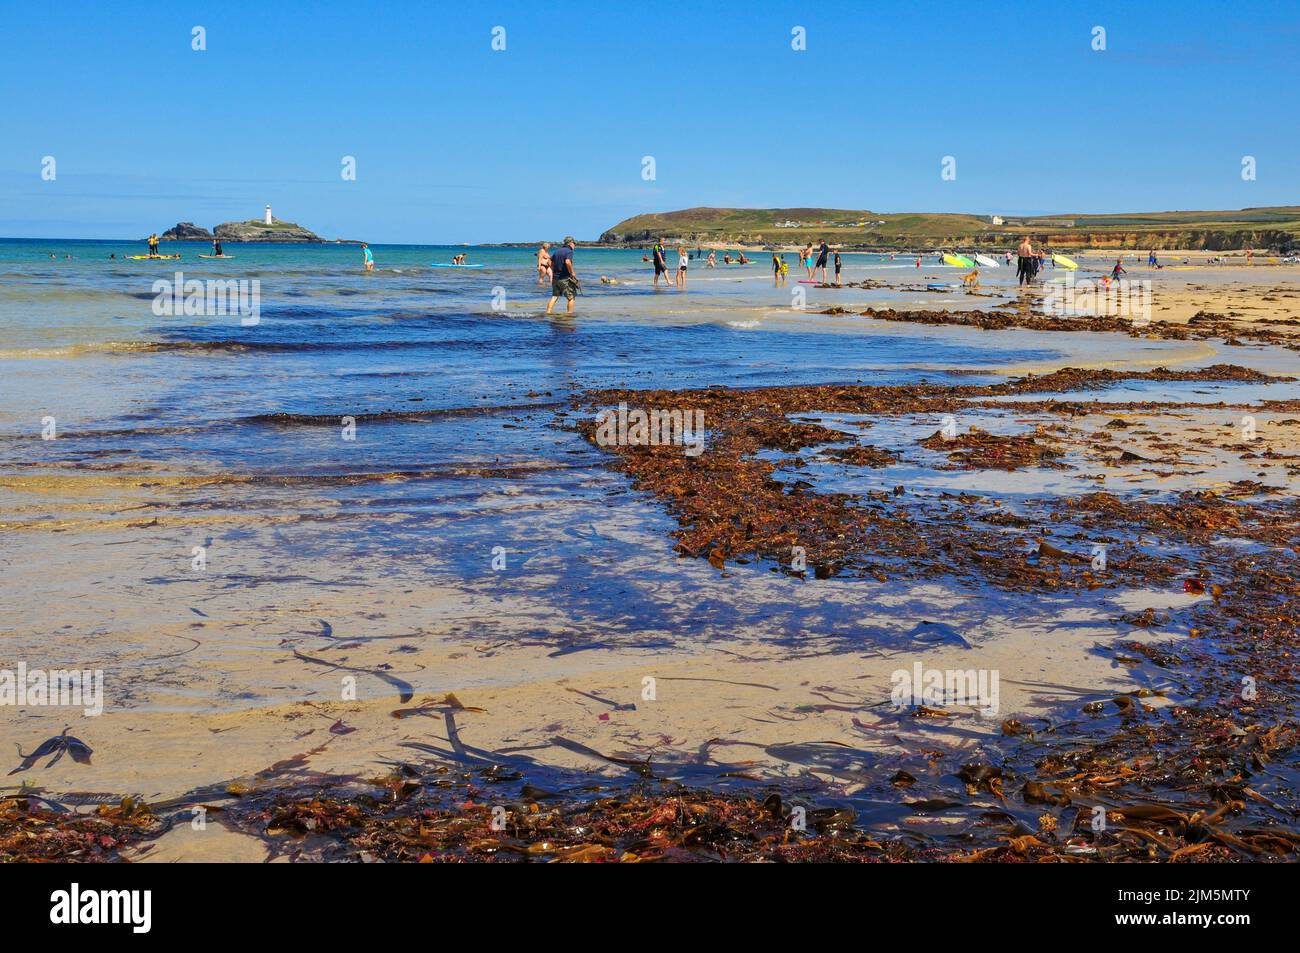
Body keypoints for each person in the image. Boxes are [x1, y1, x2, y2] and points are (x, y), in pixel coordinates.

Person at [547, 236, 578, 315]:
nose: (575, 245)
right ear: (570, 243)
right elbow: (567, 262)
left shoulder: (557, 251)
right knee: (571, 298)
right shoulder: (569, 251)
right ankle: (569, 315)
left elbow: (549, 262)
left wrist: (554, 270)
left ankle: (548, 312)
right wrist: (572, 273)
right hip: (564, 278)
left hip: (555, 278)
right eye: (574, 244)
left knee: (554, 296)